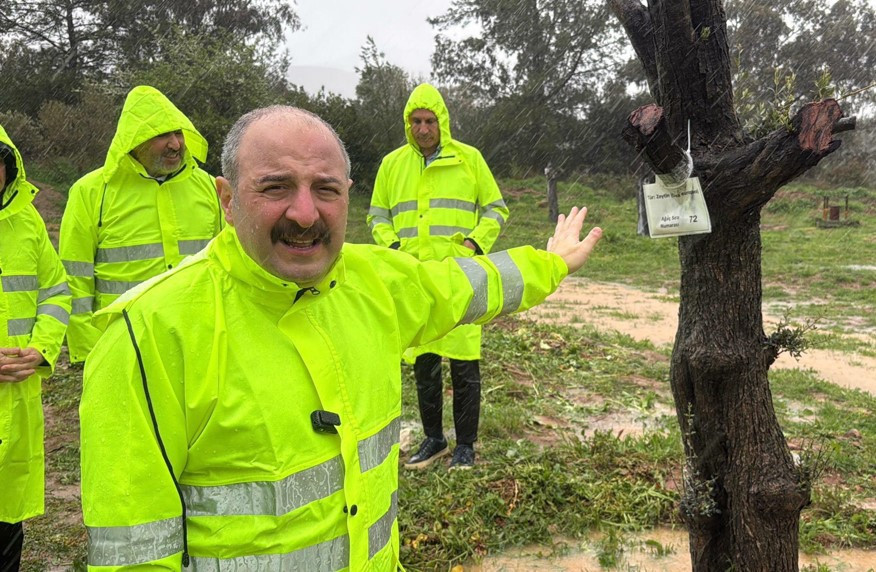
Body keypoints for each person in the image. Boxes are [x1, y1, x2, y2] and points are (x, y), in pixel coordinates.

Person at [78, 105, 601, 570]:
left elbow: (464, 285)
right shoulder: (147, 335)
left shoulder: (376, 282)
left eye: (325, 189)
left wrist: (552, 263)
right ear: (228, 199)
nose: (305, 214)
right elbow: (135, 551)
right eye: (276, 186)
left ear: (347, 196)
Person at [367, 83, 509, 469]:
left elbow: (496, 210)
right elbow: (377, 215)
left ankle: (466, 445)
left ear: (442, 122)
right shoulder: (392, 165)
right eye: (416, 121)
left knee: (465, 364)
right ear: (407, 123)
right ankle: (434, 439)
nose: (424, 128)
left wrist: (474, 246)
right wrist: (394, 249)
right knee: (424, 363)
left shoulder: (469, 160)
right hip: (415, 279)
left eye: (430, 120)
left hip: (461, 276)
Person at [59, 85, 223, 364]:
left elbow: (227, 261)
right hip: (121, 343)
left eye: (178, 133)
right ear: (135, 139)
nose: (175, 144)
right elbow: (75, 277)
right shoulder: (91, 191)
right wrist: (89, 350)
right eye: (161, 135)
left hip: (197, 340)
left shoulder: (209, 187)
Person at [0, 125, 71, 571]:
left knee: (7, 521)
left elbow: (56, 290)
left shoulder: (27, 222)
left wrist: (42, 348)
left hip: (15, 399)